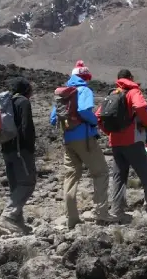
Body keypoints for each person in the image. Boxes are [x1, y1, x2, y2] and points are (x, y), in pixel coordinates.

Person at [50, 61, 118, 228]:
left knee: (71, 177)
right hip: (85, 138)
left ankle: (71, 218)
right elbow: (83, 111)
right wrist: (95, 120)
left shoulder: (62, 94)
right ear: (86, 77)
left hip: (68, 139)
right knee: (101, 172)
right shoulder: (84, 90)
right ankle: (101, 213)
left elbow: (53, 119)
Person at [98, 69, 147, 219]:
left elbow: (98, 116)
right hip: (133, 141)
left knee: (118, 177)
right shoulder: (133, 91)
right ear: (130, 78)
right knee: (146, 175)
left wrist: (109, 133)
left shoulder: (112, 94)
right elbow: (141, 107)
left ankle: (117, 211)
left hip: (115, 142)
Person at [0, 77, 38, 234]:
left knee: (15, 185)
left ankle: (18, 222)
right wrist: (30, 147)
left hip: (6, 149)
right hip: (21, 150)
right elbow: (27, 127)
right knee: (28, 183)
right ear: (26, 89)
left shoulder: (7, 103)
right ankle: (8, 216)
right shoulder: (23, 102)